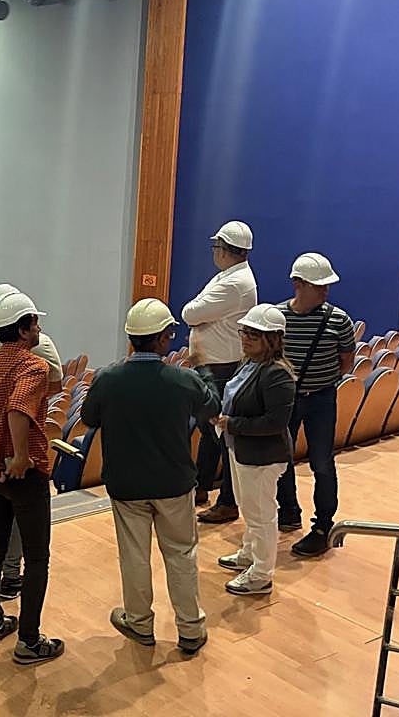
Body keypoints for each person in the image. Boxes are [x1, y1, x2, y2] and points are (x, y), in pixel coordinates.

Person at [81, 298, 219, 655]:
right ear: (161, 338)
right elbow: (212, 408)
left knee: (134, 556)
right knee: (181, 554)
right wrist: (204, 370)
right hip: (174, 482)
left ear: (131, 338)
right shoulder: (183, 379)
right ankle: (190, 628)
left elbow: (89, 418)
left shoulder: (107, 379)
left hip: (126, 484)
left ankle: (139, 622)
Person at [0, 291, 65, 666]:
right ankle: (29, 641)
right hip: (24, 474)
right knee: (36, 559)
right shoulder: (33, 366)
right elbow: (18, 409)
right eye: (35, 323)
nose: (39, 329)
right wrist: (20, 456)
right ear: (22, 330)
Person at [276, 253, 356, 558]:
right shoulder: (277, 317)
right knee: (281, 458)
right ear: (298, 284)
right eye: (318, 285)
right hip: (287, 398)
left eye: (326, 285)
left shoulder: (339, 320)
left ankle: (323, 526)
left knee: (322, 462)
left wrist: (320, 382)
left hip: (322, 398)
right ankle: (288, 511)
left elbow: (346, 362)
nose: (325, 290)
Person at [213, 304, 296, 596]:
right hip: (241, 448)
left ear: (271, 339)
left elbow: (275, 422)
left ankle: (261, 574)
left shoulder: (277, 375)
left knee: (261, 515)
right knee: (248, 507)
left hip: (263, 456)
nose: (245, 339)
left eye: (253, 334)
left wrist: (231, 423)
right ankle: (249, 553)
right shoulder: (249, 364)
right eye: (244, 332)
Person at [182, 220, 257, 525]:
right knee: (209, 429)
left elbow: (190, 313)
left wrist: (197, 314)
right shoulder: (228, 276)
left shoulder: (233, 283)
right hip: (215, 363)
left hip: (221, 367)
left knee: (221, 433)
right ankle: (201, 486)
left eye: (216, 246)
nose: (214, 251)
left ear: (225, 250)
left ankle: (227, 501)